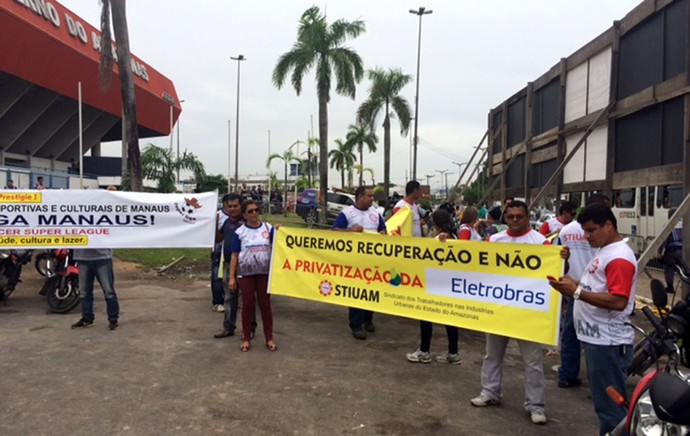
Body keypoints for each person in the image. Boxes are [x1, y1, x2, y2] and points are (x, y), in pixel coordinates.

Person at [549, 204, 636, 436]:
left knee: (611, 409)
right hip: (598, 341)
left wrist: (576, 292)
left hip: (608, 343)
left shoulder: (618, 257)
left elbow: (618, 301)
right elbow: (592, 287)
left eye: (591, 231)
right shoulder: (605, 251)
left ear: (609, 225)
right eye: (584, 231)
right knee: (606, 404)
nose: (586, 237)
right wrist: (570, 285)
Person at [470, 200, 556, 425]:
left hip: (528, 312)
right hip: (499, 309)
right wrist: (443, 242)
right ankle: (490, 392)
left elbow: (554, 272)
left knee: (533, 362)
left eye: (520, 216)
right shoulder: (495, 240)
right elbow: (472, 259)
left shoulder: (541, 242)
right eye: (511, 217)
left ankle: (535, 405)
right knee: (492, 355)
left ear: (528, 217)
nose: (515, 220)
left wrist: (562, 258)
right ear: (505, 218)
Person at [555, 194, 610, 389]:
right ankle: (603, 382)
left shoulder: (567, 230)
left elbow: (557, 258)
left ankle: (568, 374)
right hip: (596, 290)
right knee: (599, 336)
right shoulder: (604, 233)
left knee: (571, 334)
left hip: (575, 289)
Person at [406, 208, 461, 364]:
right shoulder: (455, 236)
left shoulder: (441, 239)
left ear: (434, 223)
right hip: (449, 284)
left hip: (435, 283)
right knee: (450, 319)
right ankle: (453, 353)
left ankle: (424, 351)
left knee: (426, 317)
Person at [332, 186, 387, 340]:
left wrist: (383, 234)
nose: (372, 199)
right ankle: (356, 325)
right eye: (369, 196)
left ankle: (368, 319)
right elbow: (334, 231)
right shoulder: (347, 213)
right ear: (360, 197)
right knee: (356, 293)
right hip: (354, 263)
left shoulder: (376, 214)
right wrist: (351, 231)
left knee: (371, 292)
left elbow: (384, 231)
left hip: (372, 262)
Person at [229, 200, 277, 352]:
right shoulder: (240, 232)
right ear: (244, 215)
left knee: (265, 305)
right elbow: (234, 256)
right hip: (246, 274)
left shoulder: (268, 228)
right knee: (247, 305)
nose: (254, 213)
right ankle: (246, 338)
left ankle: (269, 338)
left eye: (256, 210)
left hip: (264, 273)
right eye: (250, 211)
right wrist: (231, 277)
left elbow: (281, 245)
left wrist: (280, 231)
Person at [213, 193, 246, 339]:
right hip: (228, 264)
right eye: (229, 206)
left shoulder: (248, 222)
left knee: (247, 299)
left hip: (246, 266)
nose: (232, 209)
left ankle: (248, 330)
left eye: (235, 206)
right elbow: (219, 238)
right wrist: (213, 224)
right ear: (225, 207)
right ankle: (228, 327)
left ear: (241, 206)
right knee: (229, 298)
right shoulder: (227, 223)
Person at [71, 248, 120, 330]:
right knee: (84, 291)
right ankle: (87, 318)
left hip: (102, 258)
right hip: (82, 258)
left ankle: (113, 320)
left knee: (108, 291)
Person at [659, 208, 683, 293]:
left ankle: (670, 287)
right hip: (683, 251)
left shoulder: (668, 226)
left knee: (669, 269)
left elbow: (663, 241)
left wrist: (660, 253)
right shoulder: (684, 224)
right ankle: (685, 286)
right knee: (683, 269)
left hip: (672, 252)